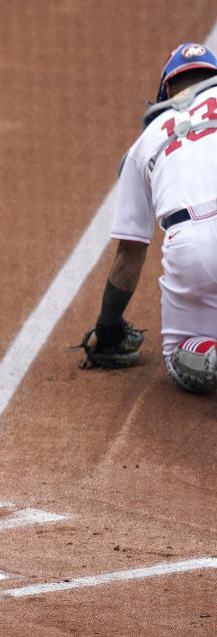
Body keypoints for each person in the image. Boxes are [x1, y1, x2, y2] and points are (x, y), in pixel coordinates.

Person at [80, 42, 217, 393]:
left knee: (177, 357)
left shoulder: (144, 143)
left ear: (167, 89)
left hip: (191, 247)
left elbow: (130, 252)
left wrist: (107, 328)